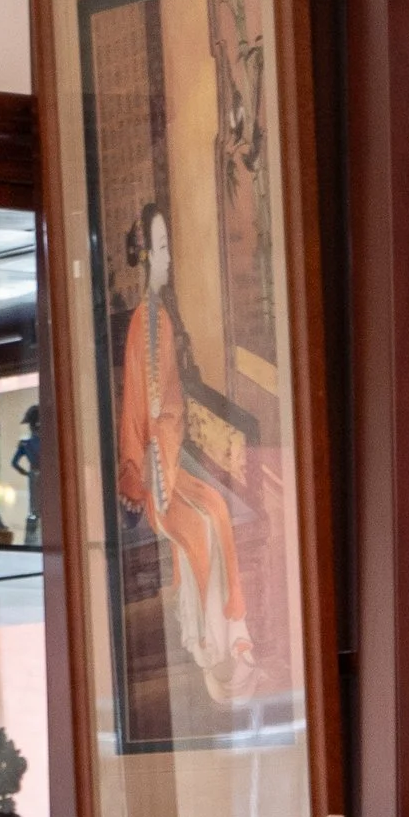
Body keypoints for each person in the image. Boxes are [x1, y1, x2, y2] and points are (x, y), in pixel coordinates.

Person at [114, 204, 258, 707]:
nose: (169, 257)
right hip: (158, 467)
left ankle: (227, 638)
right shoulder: (145, 320)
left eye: (169, 245)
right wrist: (148, 467)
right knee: (206, 521)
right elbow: (143, 402)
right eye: (162, 247)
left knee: (216, 512)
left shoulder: (162, 315)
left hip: (171, 450)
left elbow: (172, 395)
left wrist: (176, 431)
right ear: (147, 256)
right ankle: (213, 640)